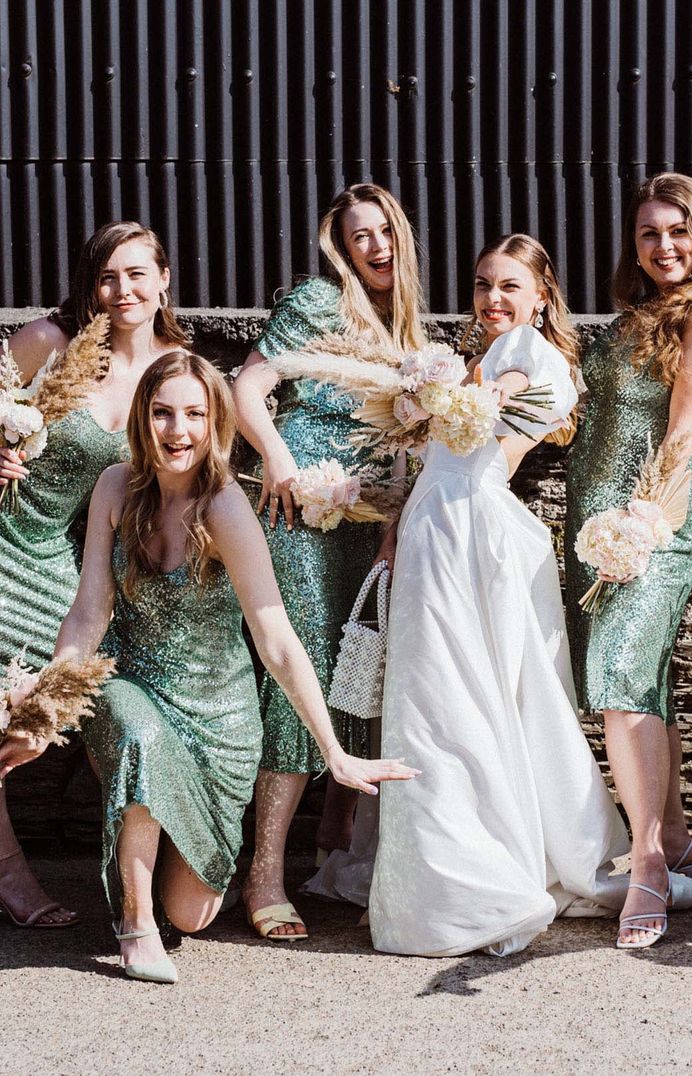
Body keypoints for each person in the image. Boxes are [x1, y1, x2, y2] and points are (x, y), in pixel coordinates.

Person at [0, 352, 419, 983]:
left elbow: (276, 639)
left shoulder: (224, 507)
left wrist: (334, 750)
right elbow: (88, 612)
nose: (178, 430)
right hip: (131, 682)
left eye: (194, 414)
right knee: (140, 737)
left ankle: (156, 864)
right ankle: (135, 927)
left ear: (215, 422)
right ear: (142, 418)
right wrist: (46, 708)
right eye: (163, 413)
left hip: (217, 717)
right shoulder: (115, 486)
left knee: (193, 914)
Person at [368, 233, 636, 958]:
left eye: (510, 286)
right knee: (435, 695)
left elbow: (507, 410)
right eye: (484, 284)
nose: (492, 298)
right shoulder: (478, 358)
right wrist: (396, 528)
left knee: (464, 696)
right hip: (433, 525)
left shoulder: (530, 359)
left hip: (471, 535)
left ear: (542, 295)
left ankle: (483, 876)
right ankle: (451, 863)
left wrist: (462, 395)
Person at [232, 183, 426, 938]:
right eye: (358, 238)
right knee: (299, 676)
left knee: (356, 677)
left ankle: (333, 855)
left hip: (365, 527)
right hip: (300, 517)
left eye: (382, 234)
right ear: (340, 249)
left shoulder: (404, 327)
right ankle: (263, 875)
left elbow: (408, 440)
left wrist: (398, 519)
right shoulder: (318, 302)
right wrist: (278, 461)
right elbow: (249, 386)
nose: (373, 248)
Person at [0, 221, 188, 929]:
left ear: (164, 279)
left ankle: (134, 885)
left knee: (71, 704)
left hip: (61, 561)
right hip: (3, 536)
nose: (122, 291)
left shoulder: (175, 368)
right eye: (108, 276)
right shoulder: (50, 342)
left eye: (137, 274)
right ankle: (12, 878)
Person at [565, 173, 692, 949]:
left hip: (655, 522)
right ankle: (685, 844)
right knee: (641, 678)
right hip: (595, 522)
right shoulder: (634, 319)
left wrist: (643, 523)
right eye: (651, 232)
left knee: (620, 677)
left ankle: (650, 862)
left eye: (678, 231)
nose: (664, 246)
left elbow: (687, 428)